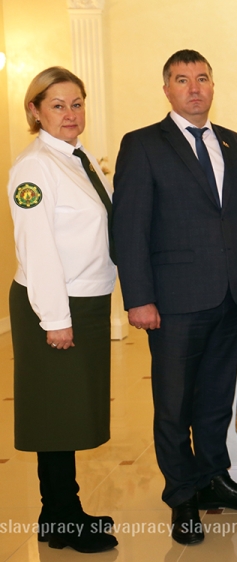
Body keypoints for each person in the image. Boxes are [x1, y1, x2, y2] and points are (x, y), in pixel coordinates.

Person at [113, 49, 237, 546]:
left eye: (202, 78)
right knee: (174, 404)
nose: (194, 87)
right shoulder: (142, 144)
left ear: (213, 86)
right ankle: (182, 495)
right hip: (173, 301)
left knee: (215, 399)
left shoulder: (233, 142)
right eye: (182, 80)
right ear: (167, 89)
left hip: (228, 296)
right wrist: (139, 298)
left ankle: (212, 478)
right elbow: (129, 227)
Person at [8, 66, 118, 554]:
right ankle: (62, 517)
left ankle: (58, 514)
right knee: (55, 416)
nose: (70, 114)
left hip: (85, 300)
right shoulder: (34, 168)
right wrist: (55, 319)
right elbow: (37, 249)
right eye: (57, 105)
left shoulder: (78, 157)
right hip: (55, 304)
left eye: (77, 103)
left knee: (70, 413)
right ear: (35, 111)